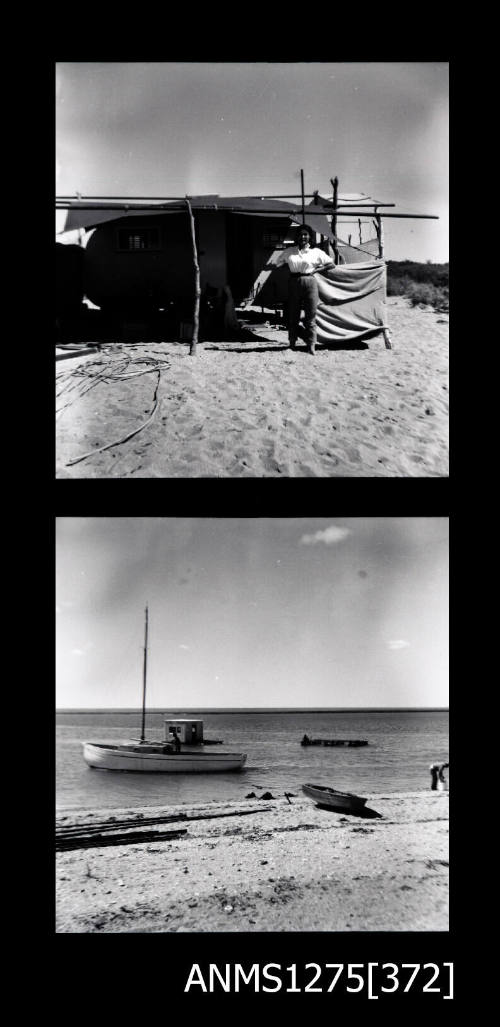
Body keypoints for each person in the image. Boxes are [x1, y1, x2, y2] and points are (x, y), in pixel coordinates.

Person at [274, 225, 334, 354]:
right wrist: (290, 268)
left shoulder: (316, 252)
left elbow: (331, 264)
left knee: (310, 316)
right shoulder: (289, 251)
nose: (303, 237)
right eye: (300, 234)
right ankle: (292, 343)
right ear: (296, 236)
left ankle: (311, 345)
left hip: (310, 282)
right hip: (294, 282)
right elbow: (278, 264)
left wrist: (317, 270)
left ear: (310, 237)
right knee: (293, 315)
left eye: (306, 234)